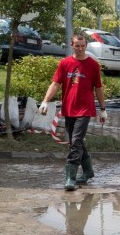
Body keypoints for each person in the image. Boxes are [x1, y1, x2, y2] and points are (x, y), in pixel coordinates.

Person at [39, 33, 108, 191]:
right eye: (77, 46)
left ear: (86, 46)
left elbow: (98, 88)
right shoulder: (65, 63)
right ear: (72, 45)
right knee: (75, 142)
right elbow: (56, 84)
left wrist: (103, 109)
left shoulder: (93, 65)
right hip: (69, 108)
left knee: (76, 142)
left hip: (85, 109)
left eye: (83, 46)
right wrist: (45, 101)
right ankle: (88, 171)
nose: (80, 48)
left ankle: (70, 177)